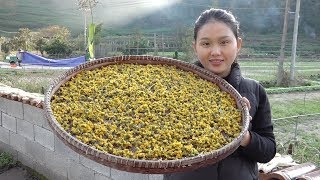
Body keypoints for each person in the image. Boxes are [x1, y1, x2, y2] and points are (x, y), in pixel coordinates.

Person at [164, 8, 276, 180]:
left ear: (238, 44)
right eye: (206, 44)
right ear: (195, 47)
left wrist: (244, 136)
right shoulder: (174, 88)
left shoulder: (254, 90)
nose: (215, 51)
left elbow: (268, 151)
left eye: (224, 42)